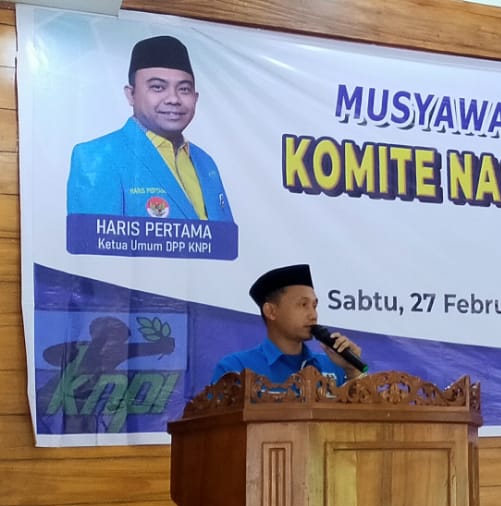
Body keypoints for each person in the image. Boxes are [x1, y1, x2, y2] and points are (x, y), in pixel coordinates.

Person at [67, 35, 234, 221]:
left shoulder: (205, 163)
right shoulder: (97, 157)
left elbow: (224, 237)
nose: (173, 99)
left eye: (184, 89)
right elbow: (94, 239)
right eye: (158, 87)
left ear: (195, 98)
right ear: (131, 94)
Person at [210, 264, 364, 385]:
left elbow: (361, 416)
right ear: (271, 311)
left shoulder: (333, 367)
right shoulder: (236, 368)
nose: (313, 315)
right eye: (303, 305)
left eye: (314, 306)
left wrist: (353, 371)